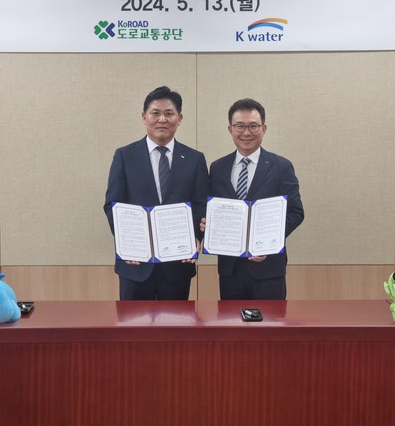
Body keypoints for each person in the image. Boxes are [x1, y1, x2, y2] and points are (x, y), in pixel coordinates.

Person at [104, 86, 209, 300]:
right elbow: (113, 204)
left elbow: (201, 204)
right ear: (144, 117)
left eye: (169, 113)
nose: (162, 119)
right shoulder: (124, 156)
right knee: (133, 321)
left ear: (179, 118)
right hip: (135, 263)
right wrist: (127, 244)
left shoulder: (195, 159)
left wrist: (197, 237)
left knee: (175, 321)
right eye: (155, 113)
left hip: (178, 263)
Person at [207, 98, 304, 300]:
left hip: (268, 268)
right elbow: (213, 210)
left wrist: (267, 243)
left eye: (253, 126)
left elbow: (296, 212)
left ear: (264, 129)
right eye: (239, 126)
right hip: (230, 269)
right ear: (230, 129)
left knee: (269, 321)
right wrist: (206, 223)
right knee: (231, 320)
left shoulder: (281, 167)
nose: (246, 132)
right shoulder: (217, 168)